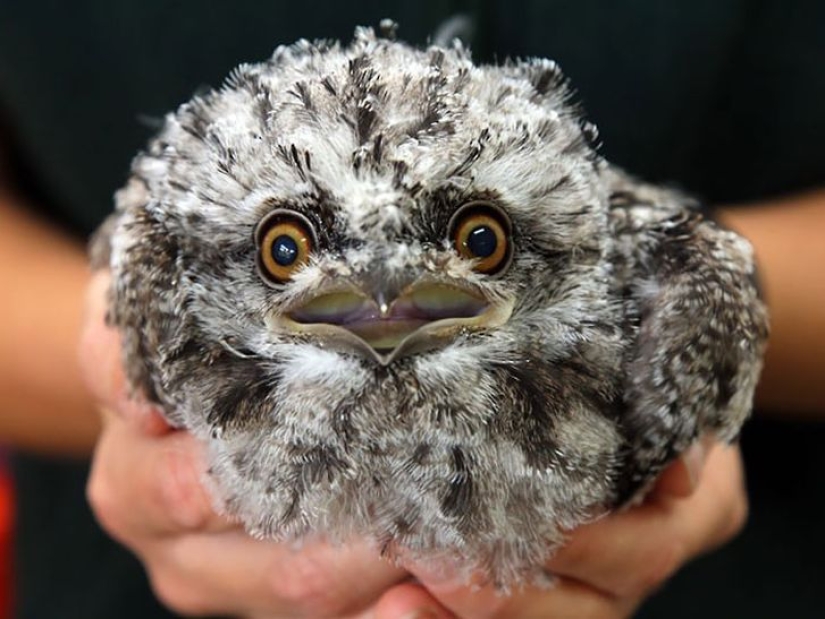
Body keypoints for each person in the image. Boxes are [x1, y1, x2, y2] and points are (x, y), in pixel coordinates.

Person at [1, 1, 823, 617]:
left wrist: (693, 338)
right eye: (286, 248)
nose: (382, 294)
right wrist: (122, 395)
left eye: (479, 240)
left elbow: (673, 278)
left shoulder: (657, 293)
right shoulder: (166, 248)